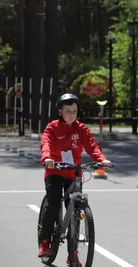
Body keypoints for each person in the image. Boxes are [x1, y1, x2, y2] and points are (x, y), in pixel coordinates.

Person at [38, 93, 111, 266]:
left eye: (74, 110)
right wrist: (47, 158)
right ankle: (45, 241)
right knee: (54, 202)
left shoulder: (81, 129)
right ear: (59, 111)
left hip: (73, 173)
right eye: (67, 110)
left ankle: (73, 254)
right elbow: (46, 143)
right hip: (54, 171)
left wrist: (101, 160)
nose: (71, 114)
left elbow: (91, 146)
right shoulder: (52, 128)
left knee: (76, 213)